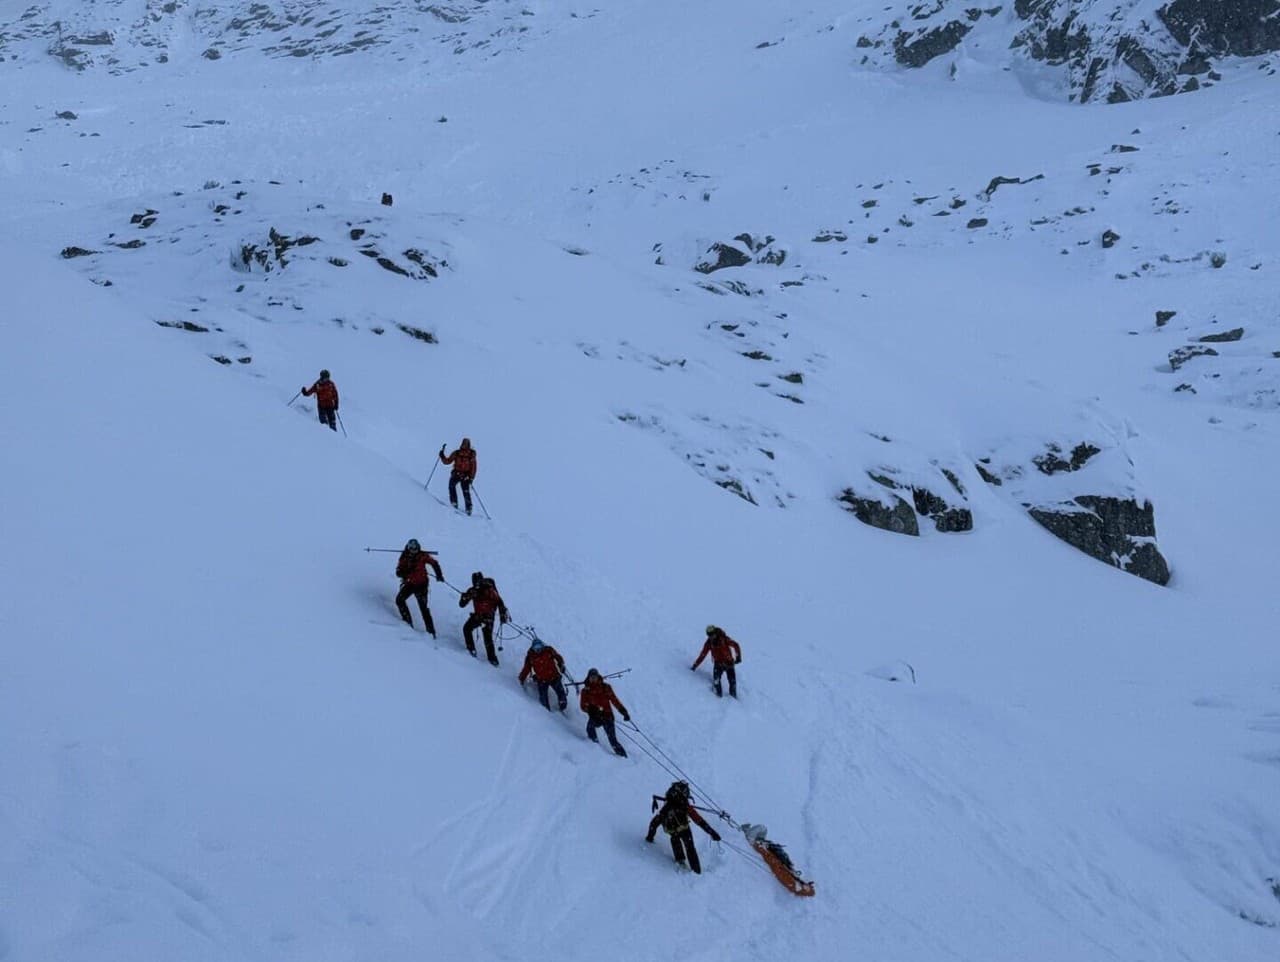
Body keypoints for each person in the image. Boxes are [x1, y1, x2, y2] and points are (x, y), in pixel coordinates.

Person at [646, 780, 720, 874]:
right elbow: (699, 821)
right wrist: (712, 833)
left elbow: (654, 824)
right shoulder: (684, 806)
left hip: (673, 831)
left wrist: (650, 837)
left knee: (676, 840)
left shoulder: (667, 807)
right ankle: (696, 872)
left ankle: (680, 861)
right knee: (690, 848)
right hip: (684, 829)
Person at [458, 570, 508, 665]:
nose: (477, 584)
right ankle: (471, 650)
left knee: (487, 637)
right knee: (467, 629)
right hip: (478, 616)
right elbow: (461, 605)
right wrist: (464, 597)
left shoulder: (489, 590)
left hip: (488, 617)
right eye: (475, 582)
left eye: (478, 582)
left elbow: (499, 602)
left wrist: (502, 614)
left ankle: (493, 659)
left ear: (482, 581)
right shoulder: (472, 591)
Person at [395, 539, 443, 635]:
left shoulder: (422, 556)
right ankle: (407, 623)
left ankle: (431, 632)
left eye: (415, 548)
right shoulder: (404, 557)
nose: (413, 550)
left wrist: (439, 575)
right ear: (408, 548)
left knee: (423, 608)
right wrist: (406, 572)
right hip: (410, 584)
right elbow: (398, 572)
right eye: (411, 548)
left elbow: (434, 563)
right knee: (399, 600)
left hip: (422, 585)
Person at [579, 668, 629, 756]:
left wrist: (623, 711)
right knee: (590, 728)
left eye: (595, 677)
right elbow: (583, 706)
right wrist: (590, 710)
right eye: (591, 677)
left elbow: (614, 700)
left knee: (612, 740)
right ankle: (595, 748)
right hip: (595, 716)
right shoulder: (585, 691)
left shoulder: (606, 687)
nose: (593, 679)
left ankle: (623, 756)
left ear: (598, 677)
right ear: (588, 678)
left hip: (607, 716)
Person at [518, 638, 568, 712]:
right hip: (542, 680)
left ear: (542, 646)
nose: (538, 649)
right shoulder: (530, 657)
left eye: (539, 647)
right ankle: (546, 713)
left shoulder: (548, 650)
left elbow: (558, 657)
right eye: (536, 648)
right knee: (543, 699)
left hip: (554, 676)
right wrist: (521, 678)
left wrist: (561, 665)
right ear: (532, 648)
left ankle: (562, 707)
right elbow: (526, 669)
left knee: (561, 695)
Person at [691, 625, 742, 698]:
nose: (711, 637)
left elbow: (736, 645)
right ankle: (718, 697)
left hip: (729, 662)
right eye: (709, 635)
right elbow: (703, 655)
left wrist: (738, 657)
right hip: (718, 664)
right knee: (716, 681)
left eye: (712, 634)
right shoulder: (709, 643)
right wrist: (695, 665)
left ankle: (733, 697)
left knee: (732, 682)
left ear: (715, 633)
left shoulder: (724, 639)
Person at [438, 438, 477, 514]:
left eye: (466, 444)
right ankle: (454, 503)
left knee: (465, 491)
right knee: (451, 486)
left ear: (468, 445)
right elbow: (448, 461)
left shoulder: (471, 455)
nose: (464, 445)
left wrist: (471, 478)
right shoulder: (457, 453)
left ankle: (468, 508)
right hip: (456, 473)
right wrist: (442, 456)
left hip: (466, 475)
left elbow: (473, 468)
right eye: (463, 443)